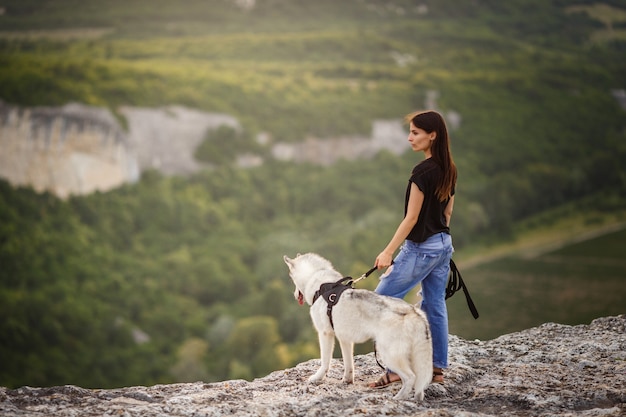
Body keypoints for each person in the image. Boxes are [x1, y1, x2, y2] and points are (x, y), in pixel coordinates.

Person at [368, 110, 457, 388]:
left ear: (433, 135)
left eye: (415, 132)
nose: (409, 138)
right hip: (443, 245)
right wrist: (440, 244)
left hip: (420, 248)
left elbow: (411, 218)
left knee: (382, 302)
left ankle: (396, 370)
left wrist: (387, 252)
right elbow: (449, 212)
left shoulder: (421, 171)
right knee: (435, 305)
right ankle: (437, 370)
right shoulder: (449, 168)